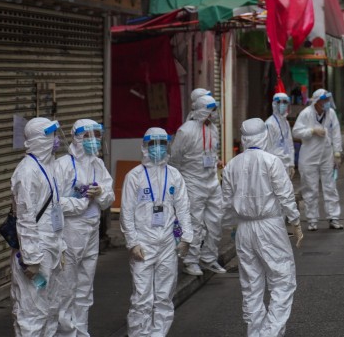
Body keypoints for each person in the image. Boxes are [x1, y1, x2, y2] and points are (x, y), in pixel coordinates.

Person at [221, 118, 302, 336]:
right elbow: (285, 195)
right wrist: (295, 221)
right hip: (269, 225)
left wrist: (231, 226)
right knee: (282, 280)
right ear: (264, 135)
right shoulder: (271, 161)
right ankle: (270, 332)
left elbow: (226, 203)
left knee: (251, 285)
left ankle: (255, 331)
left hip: (244, 228)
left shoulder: (232, 165)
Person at [120, 128, 194, 337]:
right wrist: (132, 242)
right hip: (143, 244)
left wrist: (186, 237)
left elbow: (183, 208)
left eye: (163, 143)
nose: (158, 148)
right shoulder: (134, 176)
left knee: (164, 297)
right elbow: (126, 212)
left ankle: (158, 334)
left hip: (167, 243)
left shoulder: (174, 175)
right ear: (145, 147)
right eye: (154, 144)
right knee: (142, 297)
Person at [11, 118, 76, 337]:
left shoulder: (48, 167)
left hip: (52, 249)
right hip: (37, 253)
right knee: (32, 312)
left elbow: (54, 211)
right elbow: (26, 218)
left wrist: (61, 245)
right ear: (40, 139)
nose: (56, 141)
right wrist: (31, 259)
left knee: (50, 309)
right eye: (51, 136)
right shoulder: (28, 172)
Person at [54, 119, 114, 337]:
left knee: (85, 287)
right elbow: (53, 203)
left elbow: (109, 197)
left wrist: (100, 194)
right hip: (70, 231)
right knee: (66, 287)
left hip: (91, 230)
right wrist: (79, 202)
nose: (93, 142)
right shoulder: (63, 165)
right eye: (87, 137)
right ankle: (64, 333)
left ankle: (81, 331)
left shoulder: (97, 164)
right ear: (77, 138)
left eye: (96, 137)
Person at [170, 93, 226, 276]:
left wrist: (216, 162)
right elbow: (175, 159)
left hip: (211, 180)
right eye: (211, 111)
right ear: (202, 111)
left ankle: (209, 258)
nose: (214, 114)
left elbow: (211, 151)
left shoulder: (213, 129)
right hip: (192, 182)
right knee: (194, 223)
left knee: (216, 221)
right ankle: (190, 260)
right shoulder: (185, 131)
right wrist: (178, 184)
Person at [292, 88, 344, 230]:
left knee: (330, 187)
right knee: (310, 188)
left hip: (327, 155)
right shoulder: (306, 114)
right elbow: (295, 131)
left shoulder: (331, 113)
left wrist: (337, 153)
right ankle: (312, 219)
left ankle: (334, 217)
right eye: (324, 100)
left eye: (328, 100)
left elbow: (336, 133)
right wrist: (312, 131)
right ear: (316, 101)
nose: (327, 103)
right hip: (309, 157)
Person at [265, 92, 296, 180]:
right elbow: (267, 148)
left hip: (286, 164)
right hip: (275, 166)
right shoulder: (269, 123)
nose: (283, 105)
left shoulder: (285, 122)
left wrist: (291, 164)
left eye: (285, 102)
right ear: (274, 104)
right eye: (279, 102)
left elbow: (289, 144)